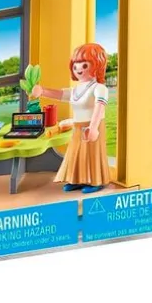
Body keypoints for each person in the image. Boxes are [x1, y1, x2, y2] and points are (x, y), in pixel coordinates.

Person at [31, 42, 111, 194]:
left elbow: (99, 107)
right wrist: (42, 91)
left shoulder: (99, 88)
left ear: (97, 65)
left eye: (84, 65)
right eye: (76, 65)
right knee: (76, 153)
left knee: (92, 153)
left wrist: (93, 127)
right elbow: (61, 94)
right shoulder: (76, 89)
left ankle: (97, 180)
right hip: (78, 126)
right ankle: (77, 180)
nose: (79, 68)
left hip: (92, 125)